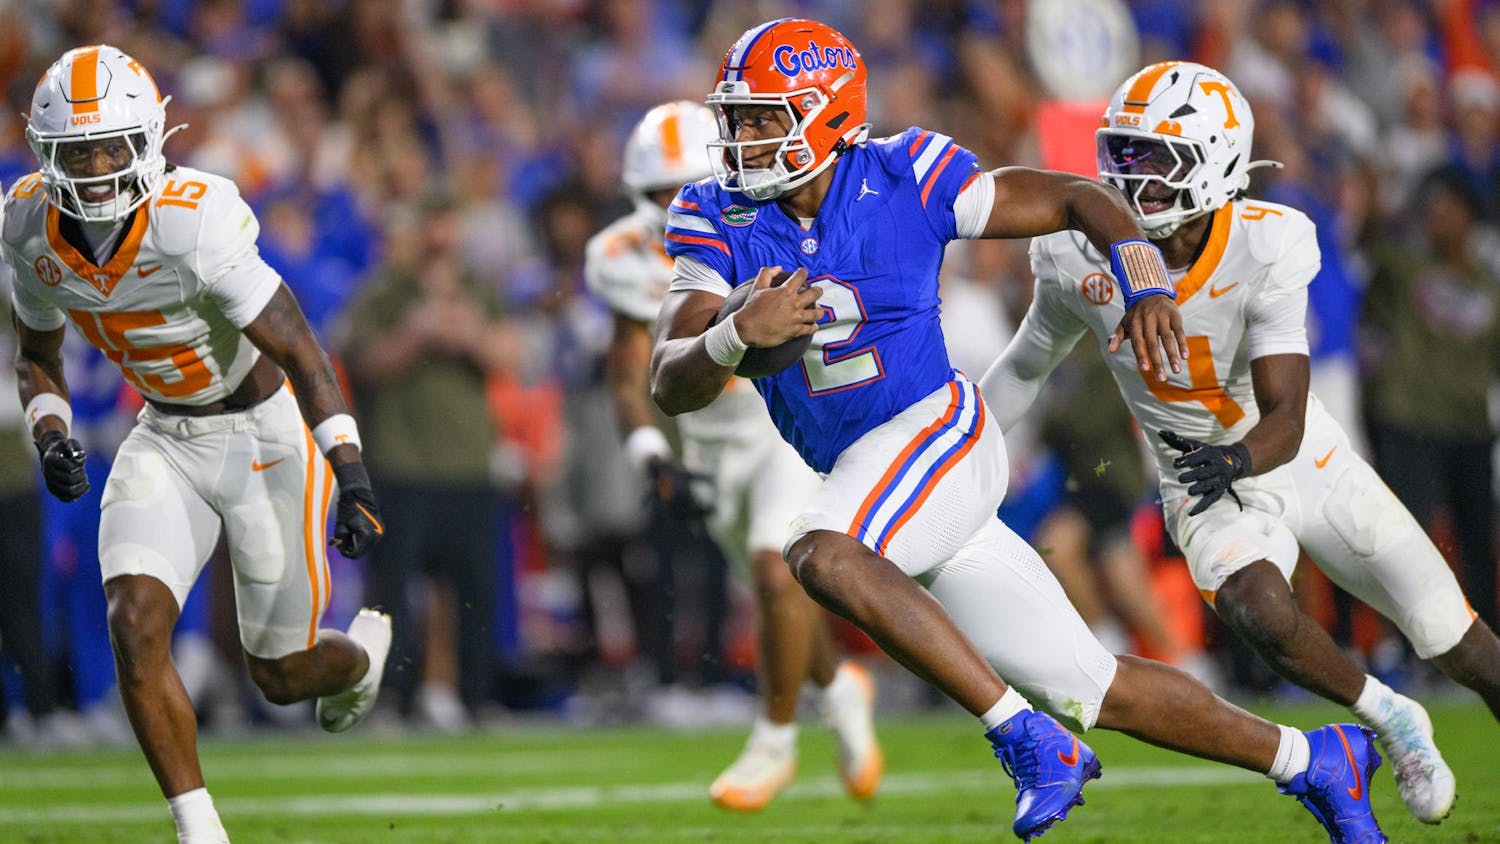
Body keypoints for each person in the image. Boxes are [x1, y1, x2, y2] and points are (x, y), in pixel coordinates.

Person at [651, 20, 1385, 843]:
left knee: (818, 552)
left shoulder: (903, 174)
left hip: (937, 433)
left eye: (761, 118)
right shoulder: (712, 213)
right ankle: (1316, 761)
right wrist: (733, 334)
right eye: (737, 118)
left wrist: (1142, 278)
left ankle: (1024, 739)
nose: (740, 137)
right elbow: (670, 379)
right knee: (1097, 689)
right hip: (875, 474)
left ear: (825, 116)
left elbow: (1081, 197)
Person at [980, 61, 1500, 827]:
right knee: (1257, 606)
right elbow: (1026, 364)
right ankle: (1388, 715)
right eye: (1121, 154)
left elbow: (1286, 413)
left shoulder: (1268, 242)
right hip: (1197, 478)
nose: (1129, 177)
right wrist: (960, 452)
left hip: (1296, 456)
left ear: (1215, 161)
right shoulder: (1074, 253)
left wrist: (1237, 458)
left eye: (1153, 157)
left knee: (1460, 642)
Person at [7, 46, 391, 844]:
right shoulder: (27, 227)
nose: (101, 165)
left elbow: (300, 349)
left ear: (150, 139)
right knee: (134, 617)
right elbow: (37, 358)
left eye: (115, 145)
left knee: (280, 675)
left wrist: (350, 473)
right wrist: (52, 434)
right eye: (81, 150)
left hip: (263, 436)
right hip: (164, 436)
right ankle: (198, 828)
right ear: (47, 155)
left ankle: (355, 661)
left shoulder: (192, 218)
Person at [585, 100, 881, 811]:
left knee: (776, 573)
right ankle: (838, 689)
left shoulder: (771, 218)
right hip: (712, 440)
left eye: (684, 183)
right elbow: (630, 369)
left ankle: (773, 739)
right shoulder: (621, 255)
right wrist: (654, 455)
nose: (675, 202)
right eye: (660, 191)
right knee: (779, 594)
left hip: (786, 419)